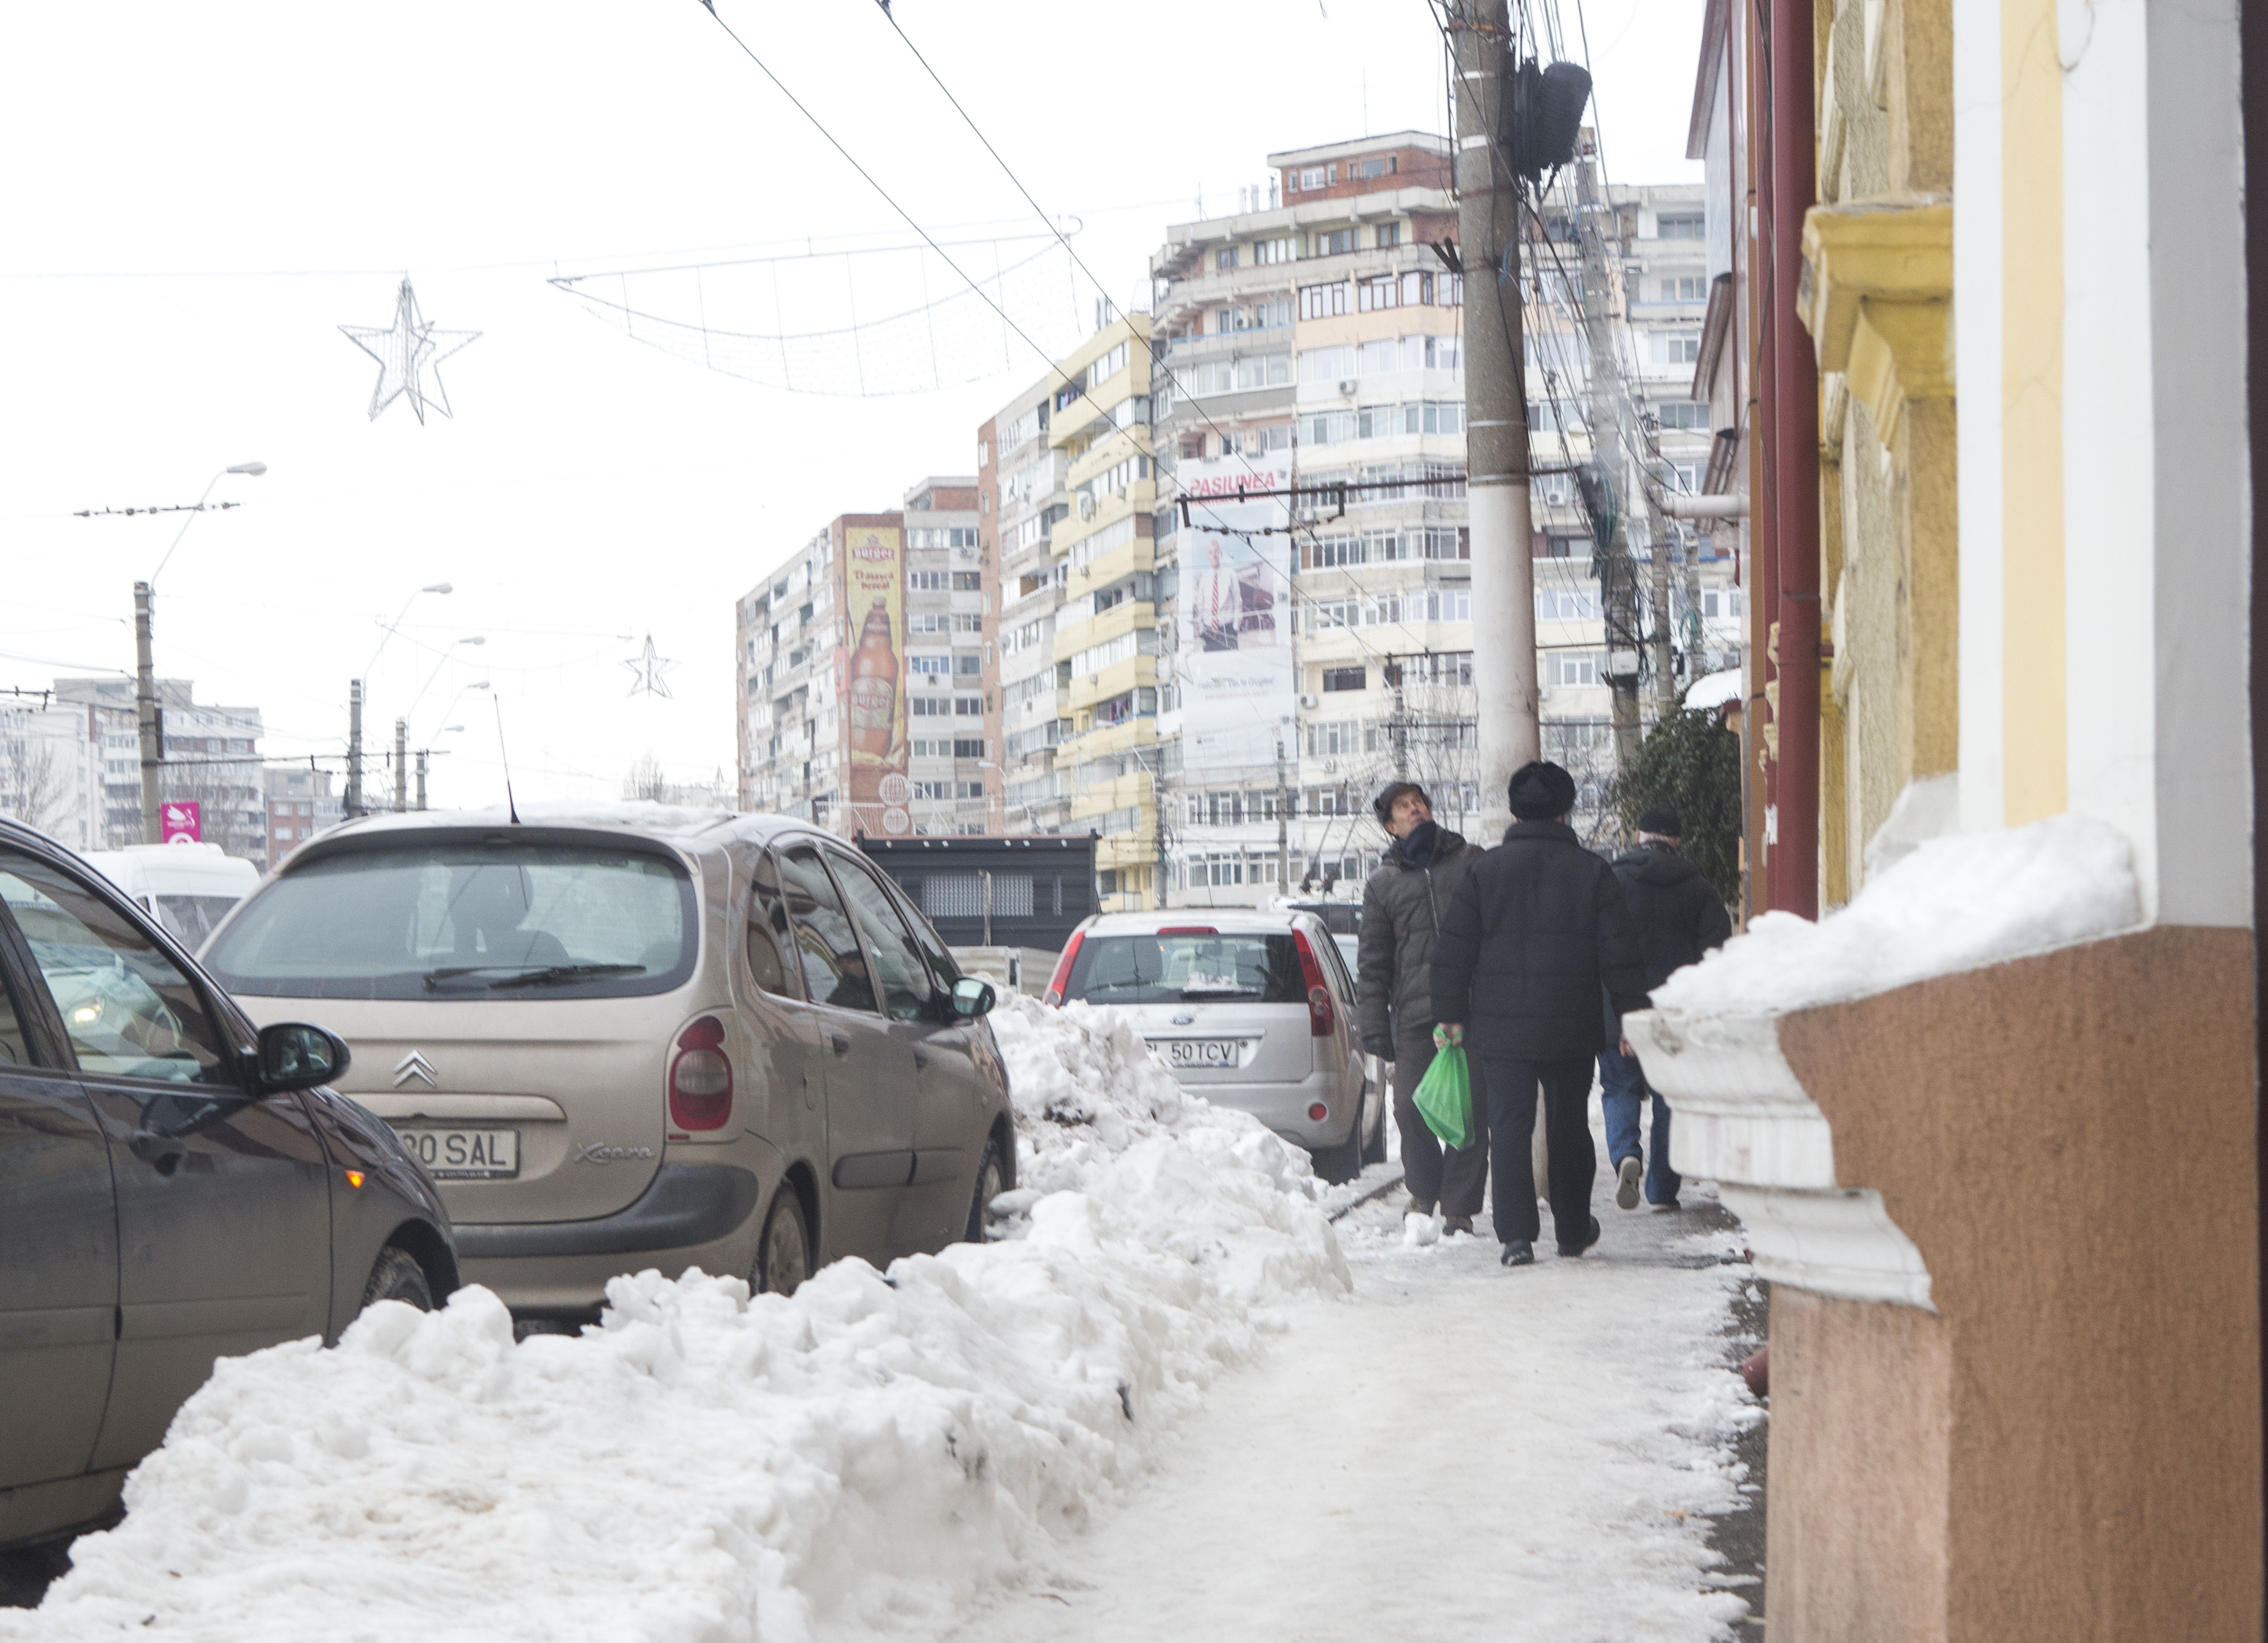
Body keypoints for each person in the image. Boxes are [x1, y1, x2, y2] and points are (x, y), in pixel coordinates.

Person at [1432, 761, 1650, 1267]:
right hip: (1572, 1024)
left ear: (1513, 812)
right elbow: (1619, 951)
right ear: (1565, 812)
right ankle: (1573, 1230)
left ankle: (1515, 1237)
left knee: (1508, 1126)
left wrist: (1450, 1012)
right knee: (1570, 1125)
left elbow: (1454, 949)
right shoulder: (1593, 872)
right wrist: (1631, 1016)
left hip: (1500, 1026)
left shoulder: (1483, 872)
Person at [1356, 780, 1488, 1232]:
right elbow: (1373, 962)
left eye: (1418, 803)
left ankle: (1459, 1208)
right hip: (1414, 1016)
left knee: (1468, 1111)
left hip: (1472, 1011)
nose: (1414, 810)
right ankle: (1424, 1190)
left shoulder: (1470, 860)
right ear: (1391, 826)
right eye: (1402, 808)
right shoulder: (1382, 883)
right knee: (1410, 1108)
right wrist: (1373, 1024)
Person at [1600, 806, 1733, 1212]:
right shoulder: (1700, 889)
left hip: (1618, 1008)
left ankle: (1626, 1154)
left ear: (1638, 836)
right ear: (1677, 840)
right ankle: (1661, 1189)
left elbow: (1595, 947)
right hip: (1675, 1013)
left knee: (1619, 1087)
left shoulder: (1612, 882)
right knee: (1669, 1098)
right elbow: (1717, 954)